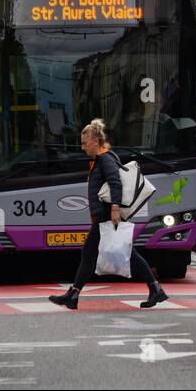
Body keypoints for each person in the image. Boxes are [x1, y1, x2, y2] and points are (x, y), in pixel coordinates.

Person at [49, 118, 167, 310]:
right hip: (104, 213)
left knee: (91, 252)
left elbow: (115, 183)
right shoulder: (102, 158)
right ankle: (155, 289)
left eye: (85, 143)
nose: (82, 147)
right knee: (114, 252)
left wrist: (114, 209)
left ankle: (73, 294)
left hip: (107, 213)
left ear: (95, 141)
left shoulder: (105, 159)